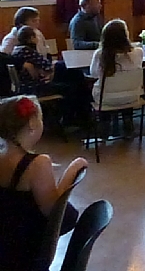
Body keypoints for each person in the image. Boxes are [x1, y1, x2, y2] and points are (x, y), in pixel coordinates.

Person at [0, 96, 88, 271]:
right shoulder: (37, 163)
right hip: (23, 254)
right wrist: (72, 170)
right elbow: (55, 213)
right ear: (32, 123)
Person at [89, 19, 145, 109]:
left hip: (105, 98)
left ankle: (107, 117)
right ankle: (127, 115)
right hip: (132, 96)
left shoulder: (100, 54)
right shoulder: (138, 52)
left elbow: (94, 74)